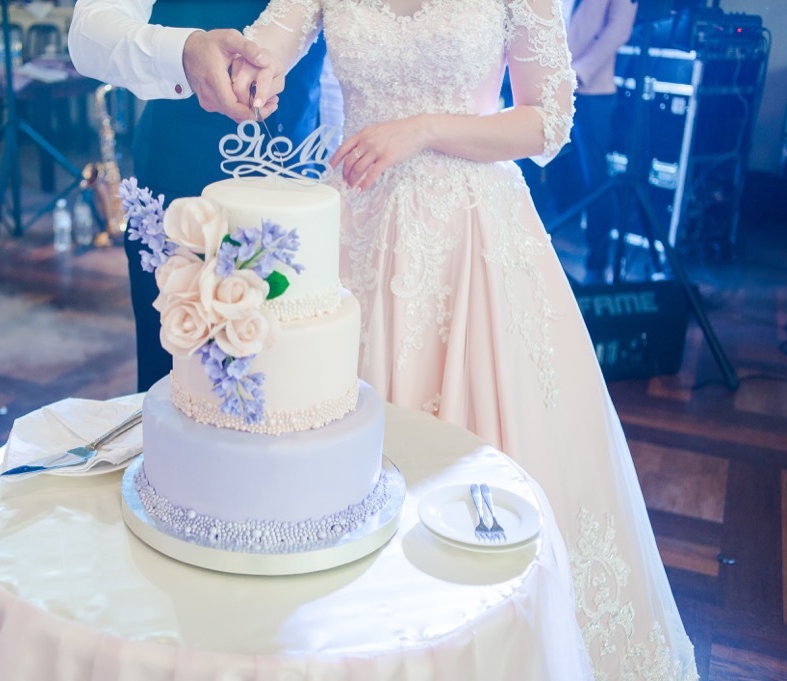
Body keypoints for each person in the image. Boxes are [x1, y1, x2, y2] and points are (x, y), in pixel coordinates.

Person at [238, 1, 697, 678]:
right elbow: (263, 49)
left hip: (473, 240)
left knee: (483, 470)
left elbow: (548, 120)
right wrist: (251, 73)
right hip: (355, 230)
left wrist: (422, 129)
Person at [68, 0, 328, 392]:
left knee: (297, 392)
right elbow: (87, 32)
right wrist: (183, 52)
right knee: (178, 395)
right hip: (177, 199)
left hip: (302, 195)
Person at [565, 0, 638, 283]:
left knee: (594, 179)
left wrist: (580, 71)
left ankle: (596, 262)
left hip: (591, 88)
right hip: (545, 81)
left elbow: (618, 30)